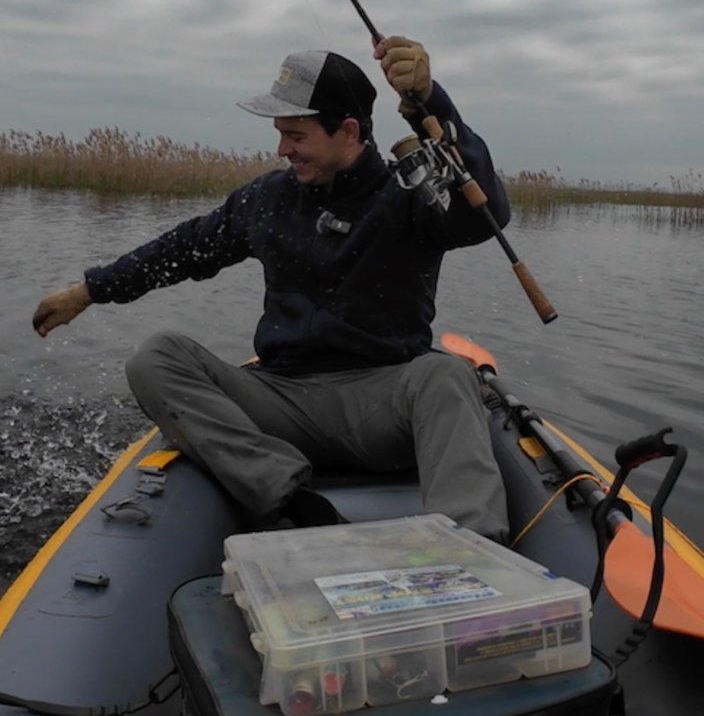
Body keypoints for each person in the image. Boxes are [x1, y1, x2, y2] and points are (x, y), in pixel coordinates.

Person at [31, 36, 512, 542]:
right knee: (156, 357)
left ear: (347, 132)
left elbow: (486, 216)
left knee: (445, 374)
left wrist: (432, 102)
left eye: (297, 136)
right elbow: (184, 249)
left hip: (383, 406)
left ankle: (474, 552)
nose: (283, 149)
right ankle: (288, 498)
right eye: (281, 134)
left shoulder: (409, 199)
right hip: (279, 403)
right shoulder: (268, 198)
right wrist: (88, 291)